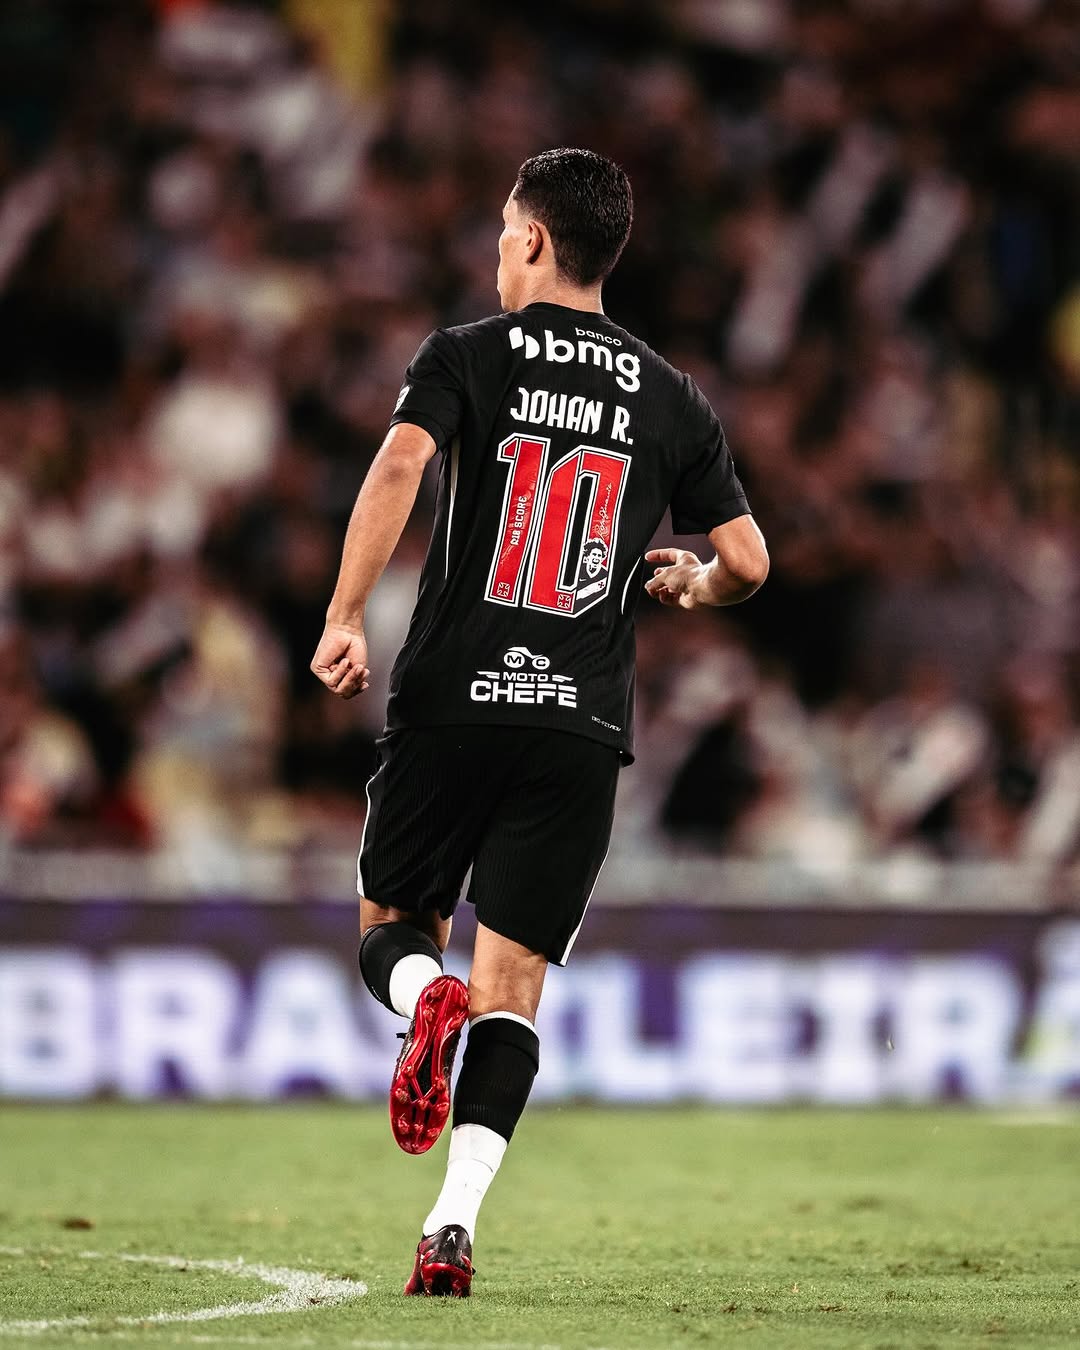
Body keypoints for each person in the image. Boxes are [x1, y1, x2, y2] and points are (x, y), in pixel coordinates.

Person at [311, 147, 768, 1297]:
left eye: (502, 232)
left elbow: (400, 464)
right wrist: (696, 584)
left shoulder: (467, 353)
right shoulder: (671, 395)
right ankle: (451, 1225)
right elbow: (751, 562)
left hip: (453, 698)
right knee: (512, 992)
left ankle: (422, 998)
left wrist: (346, 612)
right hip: (578, 725)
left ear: (531, 239)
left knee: (392, 929)